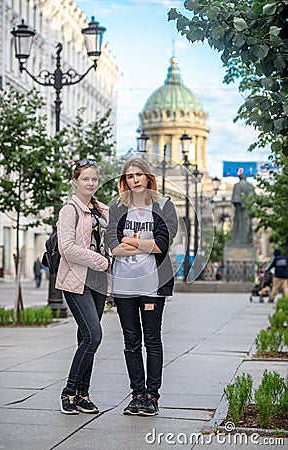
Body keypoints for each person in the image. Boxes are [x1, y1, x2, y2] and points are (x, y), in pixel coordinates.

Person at [105, 157, 178, 416]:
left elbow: (161, 245)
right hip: (124, 285)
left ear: (148, 177)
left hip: (152, 285)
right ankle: (137, 395)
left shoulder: (164, 205)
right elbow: (112, 245)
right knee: (131, 341)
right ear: (124, 181)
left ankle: (152, 396)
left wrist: (128, 239)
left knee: (152, 340)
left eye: (139, 175)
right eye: (129, 176)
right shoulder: (117, 207)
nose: (134, 180)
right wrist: (135, 243)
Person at [55, 159, 109, 415]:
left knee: (84, 337)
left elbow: (118, 227)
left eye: (94, 179)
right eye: (85, 179)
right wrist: (100, 261)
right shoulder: (69, 210)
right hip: (76, 281)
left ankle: (83, 394)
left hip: (98, 283)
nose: (91, 183)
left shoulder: (99, 210)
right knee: (93, 336)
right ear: (75, 181)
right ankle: (68, 392)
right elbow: (67, 248)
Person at [229, 173, 255, 246]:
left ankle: (237, 240)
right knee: (247, 224)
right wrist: (247, 203)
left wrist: (239, 204)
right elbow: (252, 198)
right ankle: (246, 240)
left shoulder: (237, 185)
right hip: (247, 209)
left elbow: (235, 199)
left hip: (239, 209)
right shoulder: (250, 186)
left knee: (238, 224)